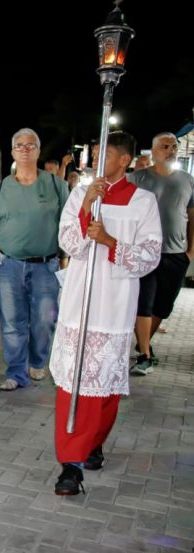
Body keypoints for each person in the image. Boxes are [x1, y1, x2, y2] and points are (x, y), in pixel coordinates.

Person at [50, 131, 161, 495]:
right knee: (73, 382)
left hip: (113, 303)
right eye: (94, 155)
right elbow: (67, 241)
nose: (96, 163)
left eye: (104, 155)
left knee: (103, 387)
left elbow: (149, 256)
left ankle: (93, 441)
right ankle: (71, 464)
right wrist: (84, 211)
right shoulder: (81, 194)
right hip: (79, 299)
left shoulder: (143, 202)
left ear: (125, 160)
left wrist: (110, 241)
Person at [0, 128, 69, 391]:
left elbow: (70, 226)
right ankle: (16, 372)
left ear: (38, 151)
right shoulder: (2, 187)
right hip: (9, 266)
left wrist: (69, 262)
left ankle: (38, 361)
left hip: (46, 266)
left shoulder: (55, 185)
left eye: (31, 145)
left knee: (44, 319)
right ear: (13, 151)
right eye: (20, 145)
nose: (25, 149)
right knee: (12, 322)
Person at [127, 133, 194, 375]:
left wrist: (190, 251)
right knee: (144, 303)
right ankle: (144, 353)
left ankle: (144, 343)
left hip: (176, 253)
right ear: (153, 152)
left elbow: (192, 216)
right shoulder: (137, 178)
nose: (171, 150)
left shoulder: (188, 180)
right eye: (165, 146)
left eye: (174, 146)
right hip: (145, 252)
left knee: (163, 306)